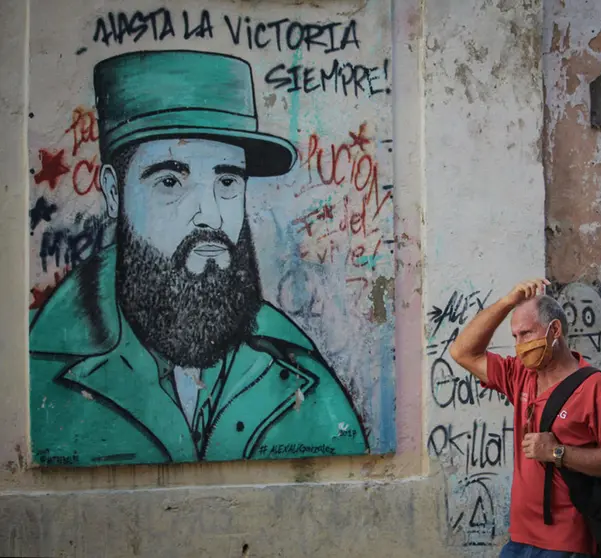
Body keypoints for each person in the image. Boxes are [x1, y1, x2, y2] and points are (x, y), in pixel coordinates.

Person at [29, 50, 367, 467]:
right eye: (171, 181)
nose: (210, 214)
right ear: (115, 193)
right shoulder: (35, 372)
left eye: (227, 181)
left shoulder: (300, 371)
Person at [449, 278, 601, 557]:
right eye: (515, 337)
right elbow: (462, 352)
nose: (519, 345)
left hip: (567, 544)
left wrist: (558, 452)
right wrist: (507, 303)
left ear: (555, 330)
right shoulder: (520, 376)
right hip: (519, 539)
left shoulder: (596, 388)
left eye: (526, 334)